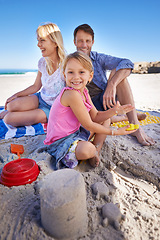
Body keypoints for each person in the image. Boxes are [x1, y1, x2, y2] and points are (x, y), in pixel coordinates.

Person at [44, 51, 136, 169]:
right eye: (71, 72)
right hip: (60, 142)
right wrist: (115, 132)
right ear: (64, 75)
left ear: (90, 76)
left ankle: (96, 150)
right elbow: (89, 124)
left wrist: (115, 111)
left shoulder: (84, 91)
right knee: (87, 149)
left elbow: (96, 116)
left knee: (106, 120)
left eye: (81, 72)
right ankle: (92, 150)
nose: (76, 77)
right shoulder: (71, 94)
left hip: (75, 133)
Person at [73, 24, 155, 146]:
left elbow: (127, 63)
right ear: (74, 42)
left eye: (87, 41)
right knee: (100, 119)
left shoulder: (98, 58)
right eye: (80, 41)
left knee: (119, 74)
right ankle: (126, 117)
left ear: (93, 42)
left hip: (105, 99)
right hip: (87, 107)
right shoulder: (71, 61)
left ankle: (135, 126)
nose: (84, 45)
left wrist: (111, 84)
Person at [0, 23, 66, 127]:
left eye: (42, 40)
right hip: (41, 98)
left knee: (8, 119)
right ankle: (23, 109)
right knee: (10, 106)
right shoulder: (42, 62)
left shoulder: (67, 64)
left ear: (55, 43)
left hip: (53, 109)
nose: (38, 44)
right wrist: (16, 95)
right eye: (38, 40)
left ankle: (15, 113)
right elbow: (36, 86)